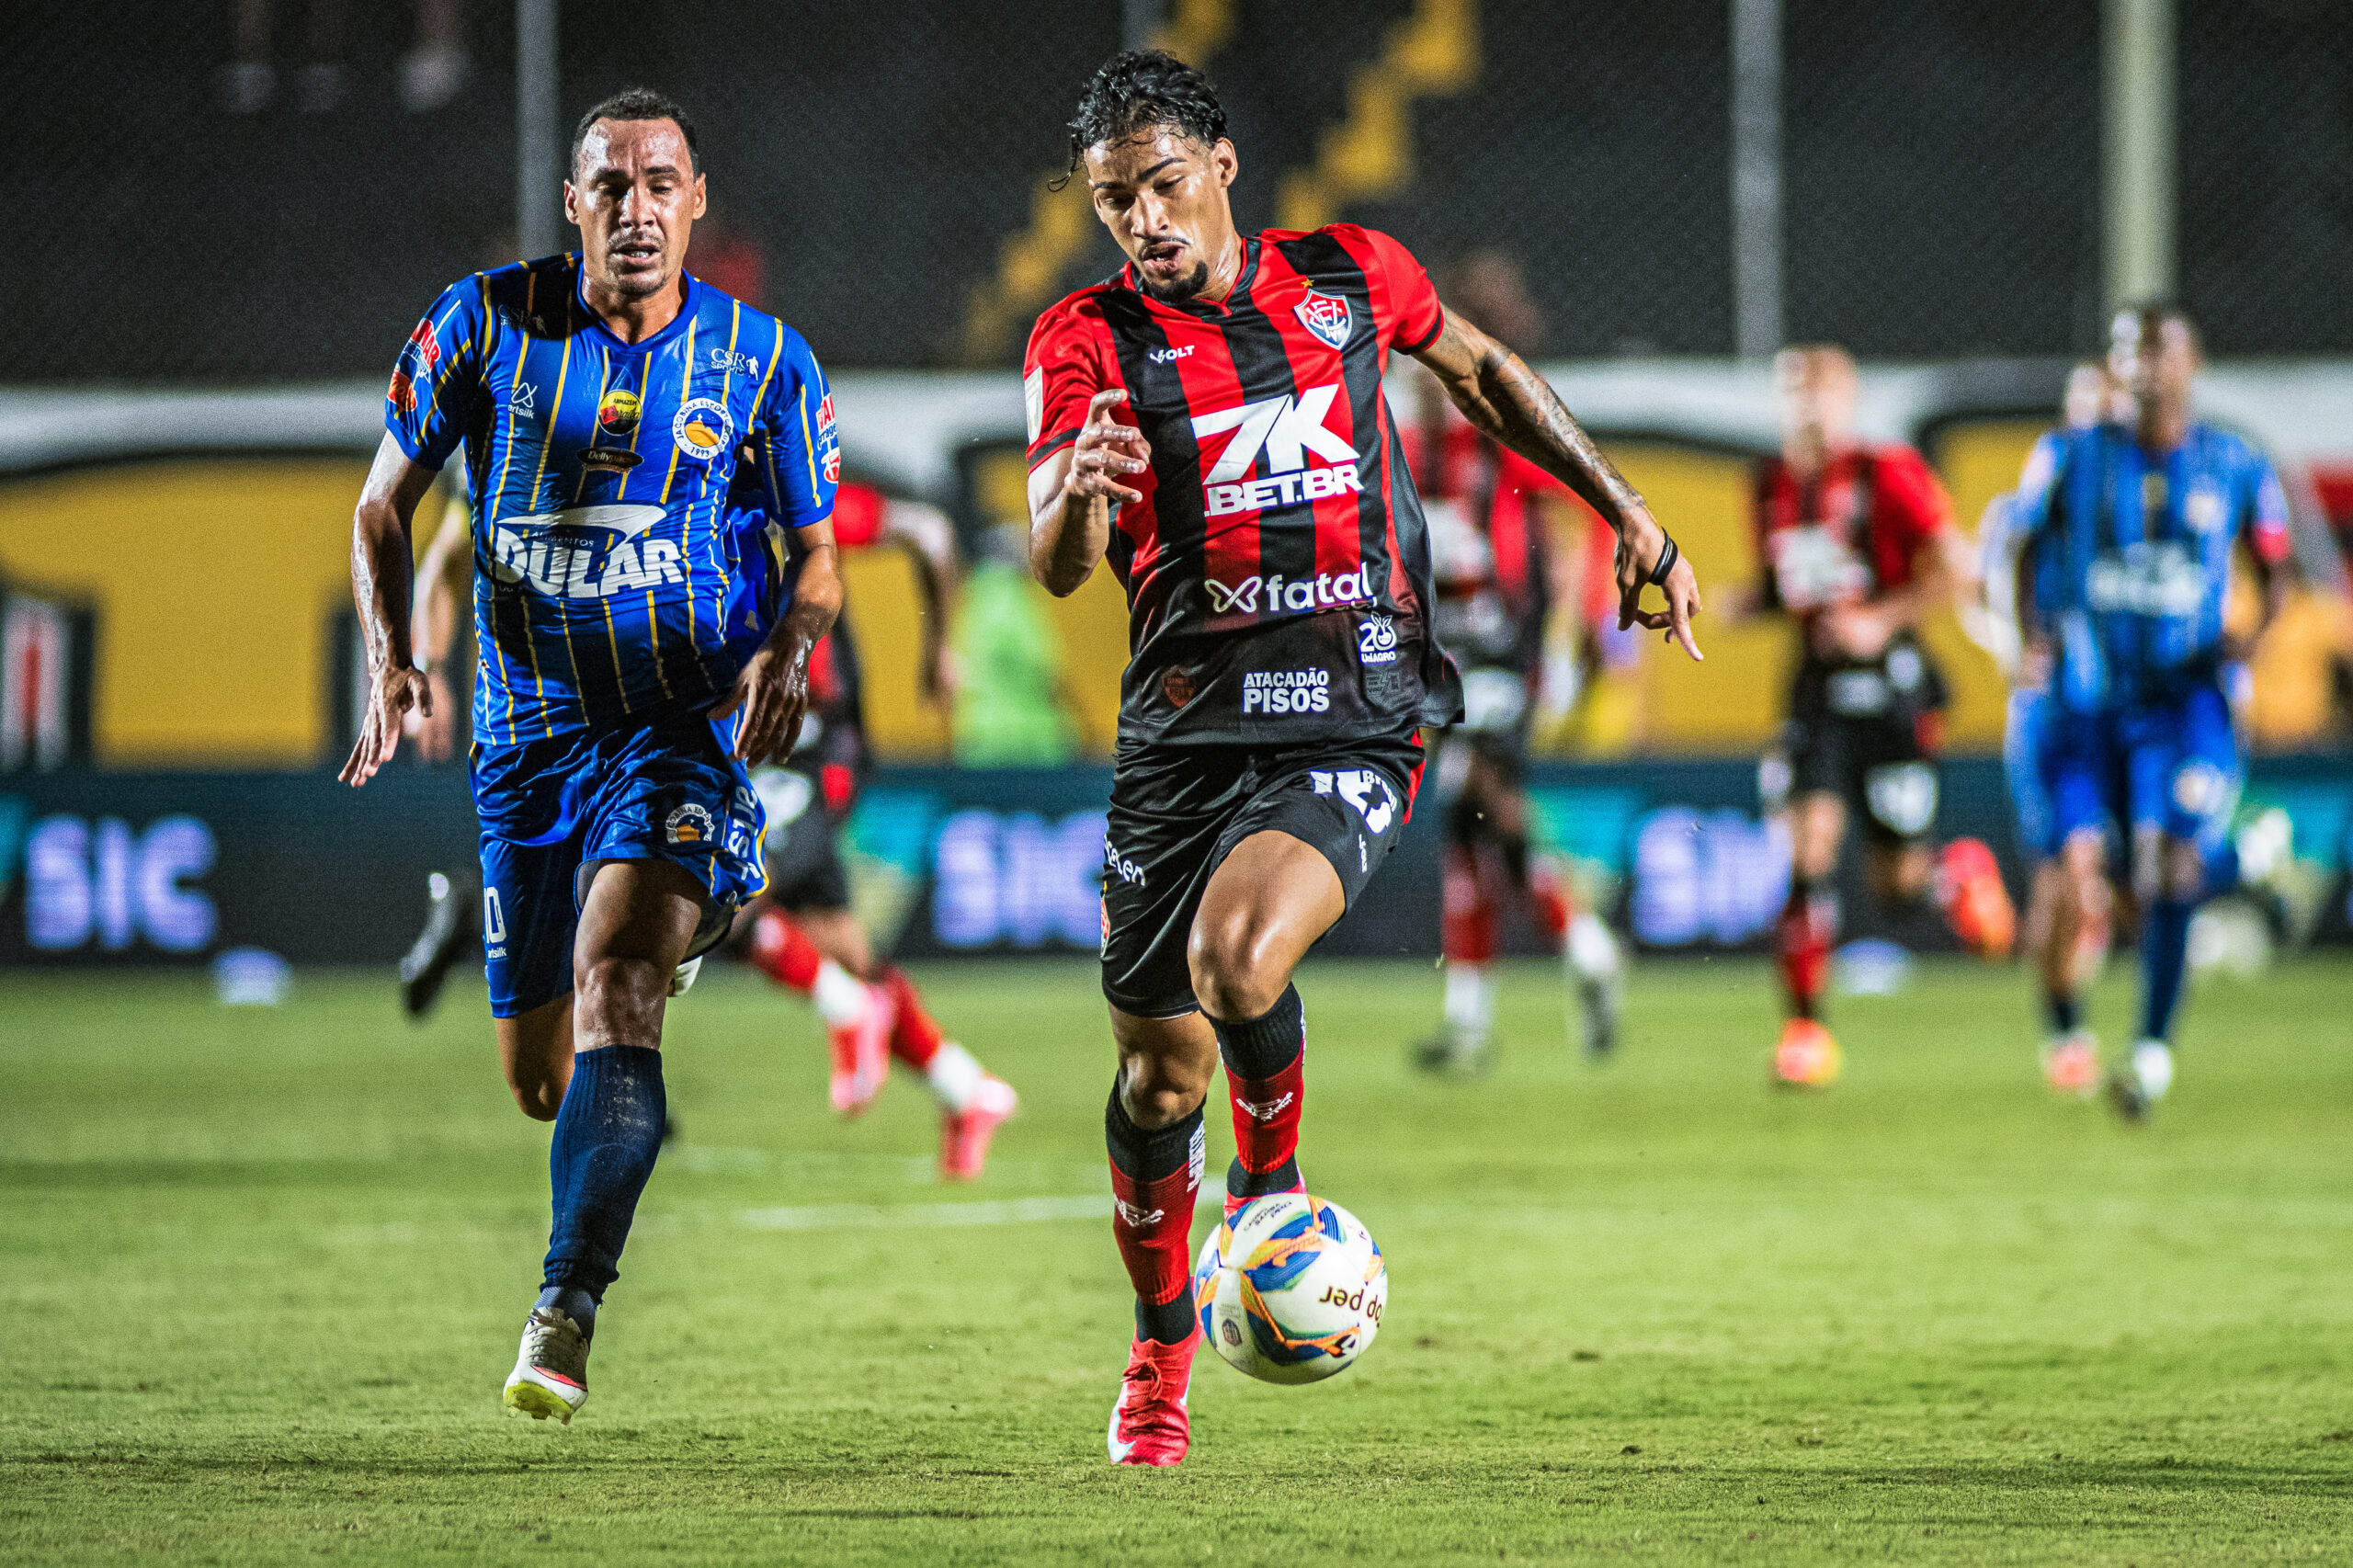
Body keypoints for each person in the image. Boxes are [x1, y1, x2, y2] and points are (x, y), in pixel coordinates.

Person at [1022, 51, 1701, 1467]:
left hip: (1357, 701)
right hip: (1182, 727)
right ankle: (1160, 1351)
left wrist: (1627, 508)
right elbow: (1059, 558)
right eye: (1111, 202)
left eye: (1158, 186)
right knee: (1158, 1079)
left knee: (1236, 963)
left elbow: (1490, 379)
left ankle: (1267, 1198)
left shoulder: (1349, 276)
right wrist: (1078, 502)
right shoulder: (1084, 340)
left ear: (1217, 164)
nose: (1141, 221)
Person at [341, 88, 844, 1422]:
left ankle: (563, 1310)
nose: (635, 210)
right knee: (541, 1082)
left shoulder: (763, 359)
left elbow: (821, 557)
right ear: (573, 205)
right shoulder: (484, 325)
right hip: (520, 746)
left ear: (696, 202)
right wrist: (397, 655)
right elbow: (381, 505)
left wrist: (792, 641)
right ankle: (604, 922)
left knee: (624, 981)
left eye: (659, 183)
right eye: (608, 186)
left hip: (675, 721)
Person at [2012, 303, 2290, 1120]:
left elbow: (2273, 568)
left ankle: (2151, 1053)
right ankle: (2252, 861)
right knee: (2096, 878)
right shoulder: (2071, 456)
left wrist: (2251, 641)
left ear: (2191, 362)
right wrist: (2029, 636)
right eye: (2130, 351)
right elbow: (2022, 548)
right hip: (2089, 703)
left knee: (2164, 866)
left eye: (2159, 350)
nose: (2144, 366)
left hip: (2187, 704)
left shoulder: (2234, 463)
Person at [728, 480, 1020, 1179]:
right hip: (763, 752)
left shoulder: (798, 496)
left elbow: (930, 532)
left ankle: (847, 1007)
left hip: (814, 750)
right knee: (841, 948)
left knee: (721, 899)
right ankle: (968, 1090)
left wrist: (938, 653)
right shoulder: (694, 493)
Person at [1745, 346, 1991, 1088]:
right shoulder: (1769, 484)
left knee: (1897, 888)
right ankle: (1806, 1032)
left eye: (1820, 391)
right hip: (1817, 694)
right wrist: (1740, 603)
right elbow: (1785, 584)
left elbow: (1957, 565)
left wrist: (1883, 621)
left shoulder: (1887, 473)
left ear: (1847, 401)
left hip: (1893, 692)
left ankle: (1954, 873)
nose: (1807, 406)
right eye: (1795, 392)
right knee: (1807, 850)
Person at [1400, 251, 1623, 1070]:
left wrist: (1582, 631)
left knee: (1469, 800)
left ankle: (1471, 1019)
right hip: (1440, 658)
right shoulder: (1395, 457)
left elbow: (1598, 512)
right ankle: (1585, 945)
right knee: (1472, 831)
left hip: (1506, 647)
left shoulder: (1495, 448)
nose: (1419, 383)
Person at [1981, 362, 2131, 1096]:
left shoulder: (2142, 493)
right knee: (2053, 891)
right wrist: (2018, 645)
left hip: (2111, 709)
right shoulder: (2055, 471)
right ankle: (2067, 1028)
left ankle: (2073, 1011)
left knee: (2078, 873)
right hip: (2052, 712)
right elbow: (2007, 557)